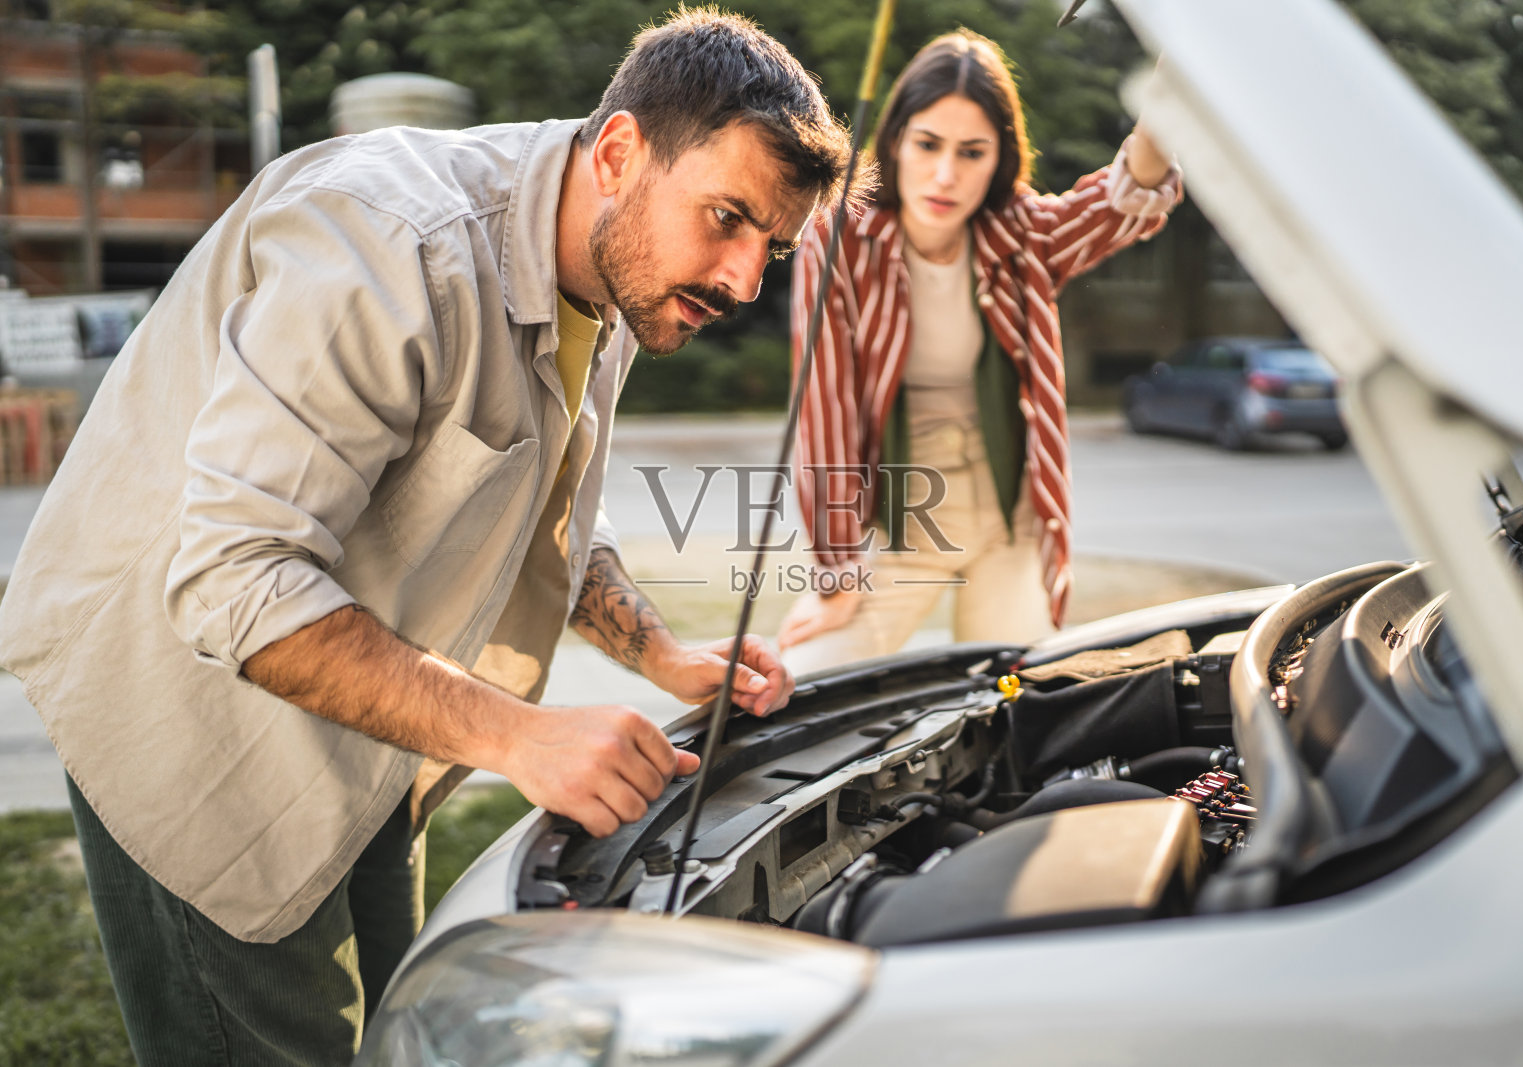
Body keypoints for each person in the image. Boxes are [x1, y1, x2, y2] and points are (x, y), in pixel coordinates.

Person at [0, 10, 849, 1063]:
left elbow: (542, 493)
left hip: (372, 715)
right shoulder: (387, 246)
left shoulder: (620, 267)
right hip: (191, 715)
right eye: (727, 218)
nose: (743, 280)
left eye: (772, 246)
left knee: (401, 1027)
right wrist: (521, 736)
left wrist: (660, 653)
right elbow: (233, 577)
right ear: (620, 152)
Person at [779, 30, 1181, 673]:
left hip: (1007, 521)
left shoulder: (1018, 233)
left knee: (1017, 698)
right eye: (928, 144)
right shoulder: (839, 235)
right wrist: (836, 571)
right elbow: (824, 408)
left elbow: (1121, 196)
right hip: (901, 517)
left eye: (972, 152)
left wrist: (1182, 55)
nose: (946, 175)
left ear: (999, 159)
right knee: (806, 682)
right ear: (895, 141)